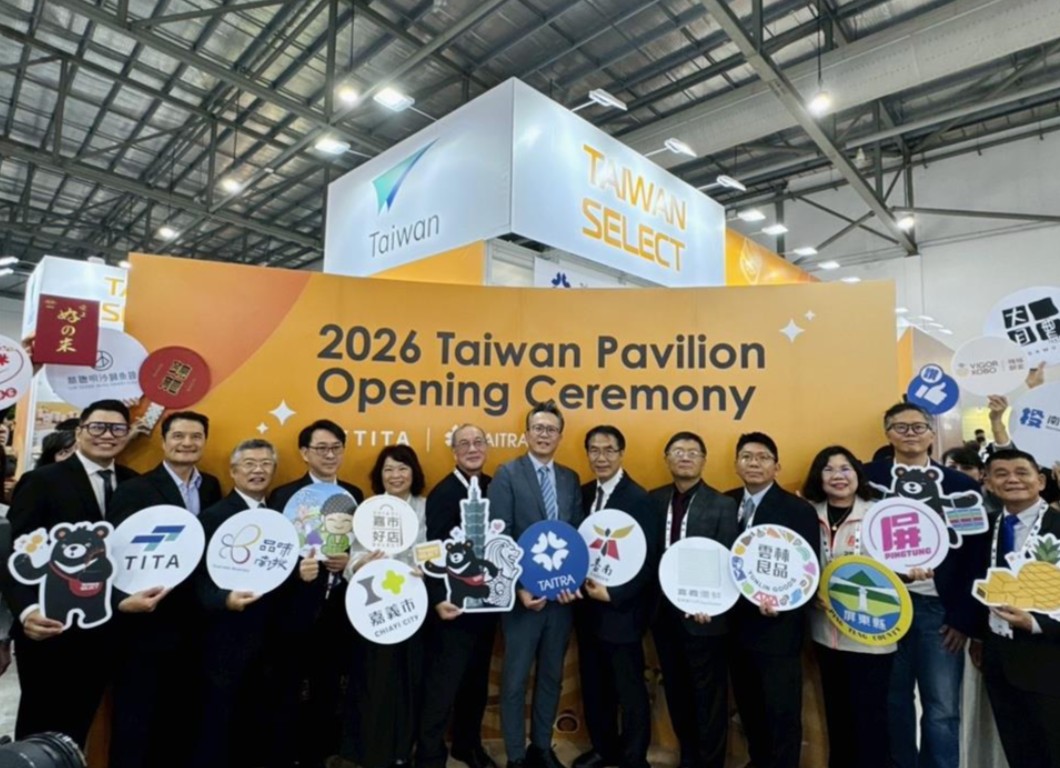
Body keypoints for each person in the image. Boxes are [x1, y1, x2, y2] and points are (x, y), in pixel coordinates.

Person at [2, 400, 158, 746]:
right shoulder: (42, 481)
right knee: (41, 728)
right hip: (51, 628)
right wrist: (26, 611)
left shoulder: (135, 484)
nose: (107, 435)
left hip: (108, 629)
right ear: (79, 431)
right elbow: (15, 553)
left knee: (79, 727)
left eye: (117, 428)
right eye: (97, 427)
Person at [864, 402, 988, 768]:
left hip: (939, 611)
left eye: (918, 427)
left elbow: (975, 554)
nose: (910, 434)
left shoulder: (960, 485)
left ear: (932, 433)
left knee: (942, 709)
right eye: (900, 427)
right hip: (884, 605)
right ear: (887, 433)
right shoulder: (868, 479)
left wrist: (964, 618)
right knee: (893, 702)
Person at [108, 410, 223, 768]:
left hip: (197, 623)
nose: (187, 443)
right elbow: (115, 555)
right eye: (178, 436)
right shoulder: (135, 489)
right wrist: (122, 601)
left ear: (204, 441)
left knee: (180, 717)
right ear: (163, 441)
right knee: (136, 720)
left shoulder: (212, 486)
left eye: (195, 436)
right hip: (148, 622)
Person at [190, 438, 307, 768]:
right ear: (233, 471)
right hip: (227, 638)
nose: (258, 470)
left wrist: (302, 573)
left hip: (273, 639)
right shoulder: (213, 517)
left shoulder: (281, 520)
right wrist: (224, 600)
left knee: (263, 720)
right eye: (250, 464)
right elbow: (197, 579)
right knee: (220, 720)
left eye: (266, 464)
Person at [488, 401, 583, 768]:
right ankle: (515, 755)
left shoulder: (570, 478)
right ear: (526, 434)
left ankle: (541, 748)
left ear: (560, 436)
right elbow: (500, 538)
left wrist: (572, 581)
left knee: (551, 676)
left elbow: (575, 537)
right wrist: (518, 589)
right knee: (514, 680)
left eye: (551, 429)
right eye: (538, 428)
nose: (544, 435)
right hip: (523, 598)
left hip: (561, 598)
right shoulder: (507, 474)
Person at [267, 419, 365, 768]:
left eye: (336, 448)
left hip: (339, 610)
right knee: (289, 687)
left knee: (330, 687)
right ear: (304, 453)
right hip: (296, 609)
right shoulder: (284, 496)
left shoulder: (355, 494)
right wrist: (297, 571)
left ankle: (319, 755)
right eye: (321, 448)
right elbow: (272, 556)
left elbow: (361, 548)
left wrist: (349, 562)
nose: (329, 455)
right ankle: (285, 756)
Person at [725, 432, 820, 768]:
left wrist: (784, 603)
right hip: (733, 625)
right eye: (747, 457)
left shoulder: (798, 509)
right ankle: (758, 761)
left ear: (777, 466)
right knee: (748, 705)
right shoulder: (724, 502)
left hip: (778, 626)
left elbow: (810, 569)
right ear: (736, 464)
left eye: (763, 457)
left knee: (781, 710)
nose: (754, 463)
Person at [649, 431, 738, 768]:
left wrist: (713, 606)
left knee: (708, 697)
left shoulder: (722, 504)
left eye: (692, 452)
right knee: (676, 690)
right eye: (677, 451)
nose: (684, 457)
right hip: (663, 614)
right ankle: (688, 757)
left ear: (703, 460)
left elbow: (727, 562)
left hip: (705, 617)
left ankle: (710, 762)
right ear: (667, 459)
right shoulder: (654, 500)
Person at [803, 446, 895, 768]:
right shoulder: (807, 514)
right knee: (837, 715)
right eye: (828, 469)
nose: (838, 476)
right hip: (825, 632)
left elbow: (898, 568)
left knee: (870, 718)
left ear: (858, 474)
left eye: (845, 468)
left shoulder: (879, 514)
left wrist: (910, 573)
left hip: (871, 634)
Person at [416, 425, 498, 768]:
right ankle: (429, 753)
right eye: (464, 443)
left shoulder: (495, 486)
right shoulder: (444, 492)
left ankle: (468, 744)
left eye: (478, 442)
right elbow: (429, 550)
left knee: (476, 683)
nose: (472, 449)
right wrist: (437, 597)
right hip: (451, 608)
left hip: (486, 605)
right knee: (443, 686)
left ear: (487, 447)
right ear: (454, 451)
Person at [341, 444, 428, 768]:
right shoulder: (368, 510)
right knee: (374, 679)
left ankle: (402, 750)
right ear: (380, 475)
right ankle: (371, 752)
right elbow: (350, 559)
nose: (395, 475)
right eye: (388, 469)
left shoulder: (426, 507)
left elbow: (435, 550)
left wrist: (427, 568)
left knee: (409, 678)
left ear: (414, 473)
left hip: (412, 607)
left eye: (402, 468)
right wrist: (360, 564)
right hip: (373, 609)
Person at [973, 449, 1060, 768]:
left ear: (1041, 481)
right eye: (1001, 473)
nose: (1012, 479)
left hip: (1050, 655)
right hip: (1000, 656)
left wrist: (1036, 624)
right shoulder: (983, 529)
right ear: (988, 483)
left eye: (1021, 472)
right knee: (1018, 748)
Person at [572, 425, 653, 768]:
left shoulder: (639, 498)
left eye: (608, 450)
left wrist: (615, 594)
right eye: (594, 450)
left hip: (622, 611)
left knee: (629, 689)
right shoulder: (582, 493)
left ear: (621, 453)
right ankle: (603, 749)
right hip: (586, 609)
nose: (601, 457)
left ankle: (634, 757)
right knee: (594, 685)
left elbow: (649, 560)